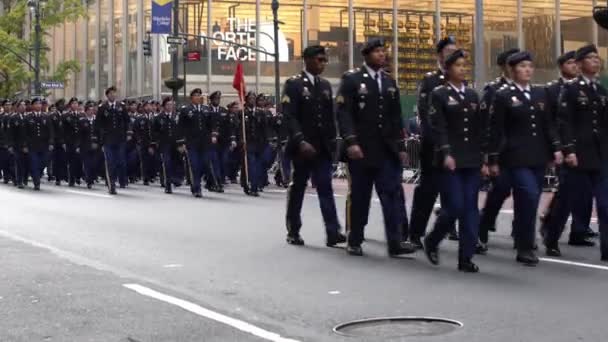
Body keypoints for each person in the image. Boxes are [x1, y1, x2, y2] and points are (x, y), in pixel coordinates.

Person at [336, 39, 417, 257]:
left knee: (391, 195)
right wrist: (351, 142)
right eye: (377, 51)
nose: (382, 55)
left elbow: (395, 117)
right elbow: (344, 113)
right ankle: (355, 239)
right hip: (361, 149)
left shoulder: (389, 81)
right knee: (361, 197)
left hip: (386, 150)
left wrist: (401, 148)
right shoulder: (352, 79)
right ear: (367, 55)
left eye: (383, 51)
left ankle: (395, 241)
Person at [487, 51, 563, 266]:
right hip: (514, 156)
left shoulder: (541, 93)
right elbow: (496, 129)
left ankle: (522, 242)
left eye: (530, 66)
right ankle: (526, 246)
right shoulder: (503, 95)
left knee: (528, 201)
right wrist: (492, 159)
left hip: (538, 155)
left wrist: (555, 148)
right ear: (512, 70)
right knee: (529, 196)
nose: (528, 70)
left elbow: (548, 124)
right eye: (522, 66)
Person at [423, 49, 486, 272]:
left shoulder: (471, 95)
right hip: (449, 159)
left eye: (464, 65)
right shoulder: (439, 94)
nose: (462, 69)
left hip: (471, 158)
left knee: (470, 209)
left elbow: (478, 129)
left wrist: (484, 158)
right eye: (457, 65)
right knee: (455, 207)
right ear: (448, 69)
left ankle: (466, 257)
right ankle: (433, 239)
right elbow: (437, 127)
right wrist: (446, 152)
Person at [281, 45, 346, 247]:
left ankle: (333, 231)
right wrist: (300, 140)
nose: (323, 63)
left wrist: (333, 142)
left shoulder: (325, 85)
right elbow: (289, 116)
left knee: (325, 187)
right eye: (319, 59)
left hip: (322, 147)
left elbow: (330, 117)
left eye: (325, 60)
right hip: (302, 147)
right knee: (298, 187)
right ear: (307, 60)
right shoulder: (293, 84)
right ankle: (293, 230)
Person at [549, 44, 608, 262]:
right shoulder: (571, 89)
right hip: (578, 155)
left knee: (605, 203)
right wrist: (569, 150)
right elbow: (564, 123)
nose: (596, 61)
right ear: (581, 63)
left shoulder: (601, 91)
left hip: (600, 155)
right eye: (591, 58)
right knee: (568, 200)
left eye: (597, 58)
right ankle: (551, 236)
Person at [540, 51, 596, 256]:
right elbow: (552, 122)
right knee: (568, 194)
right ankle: (552, 231)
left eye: (575, 63)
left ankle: (579, 231)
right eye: (570, 63)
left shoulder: (595, 88)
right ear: (562, 66)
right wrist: (558, 147)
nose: (573, 66)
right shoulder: (554, 90)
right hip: (567, 148)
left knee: (587, 193)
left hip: (592, 151)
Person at [409, 37, 459, 248]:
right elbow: (424, 114)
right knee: (428, 190)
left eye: (455, 51)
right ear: (439, 55)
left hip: (456, 146)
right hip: (433, 146)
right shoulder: (430, 80)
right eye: (448, 51)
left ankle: (450, 226)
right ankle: (415, 233)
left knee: (454, 189)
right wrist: (437, 143)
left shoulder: (460, 81)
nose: (452, 54)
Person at [477, 48, 520, 253]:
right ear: (505, 67)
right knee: (501, 190)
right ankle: (484, 223)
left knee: (526, 192)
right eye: (516, 64)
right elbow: (485, 124)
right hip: (500, 151)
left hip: (524, 151)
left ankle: (522, 233)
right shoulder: (493, 90)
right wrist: (486, 156)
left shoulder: (531, 90)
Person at [179, 89, 217, 197]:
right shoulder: (186, 110)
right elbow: (181, 127)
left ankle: (207, 182)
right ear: (191, 98)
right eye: (195, 95)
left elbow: (212, 124)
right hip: (192, 143)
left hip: (205, 143)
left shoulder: (207, 109)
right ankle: (196, 187)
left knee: (205, 163)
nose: (198, 97)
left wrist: (213, 135)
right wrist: (182, 142)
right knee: (194, 165)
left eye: (199, 95)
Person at [97, 86, 130, 194]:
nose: (113, 95)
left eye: (114, 93)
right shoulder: (102, 107)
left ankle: (116, 179)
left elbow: (127, 121)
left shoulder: (121, 106)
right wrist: (101, 138)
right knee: (110, 162)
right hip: (108, 140)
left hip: (120, 139)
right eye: (111, 93)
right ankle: (112, 185)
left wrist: (128, 133)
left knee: (120, 161)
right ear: (107, 95)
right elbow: (99, 124)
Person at [22, 97, 55, 191]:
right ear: (33, 106)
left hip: (44, 146)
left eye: (40, 104)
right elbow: (24, 133)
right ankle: (37, 182)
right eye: (36, 104)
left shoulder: (46, 117)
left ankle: (37, 175)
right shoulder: (28, 118)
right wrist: (24, 145)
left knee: (43, 162)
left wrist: (51, 142)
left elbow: (51, 131)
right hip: (32, 146)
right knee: (34, 163)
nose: (38, 105)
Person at [153, 97, 184, 194]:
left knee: (177, 163)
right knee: (166, 164)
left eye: (171, 105)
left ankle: (176, 179)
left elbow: (180, 131)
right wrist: (156, 143)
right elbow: (155, 132)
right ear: (164, 106)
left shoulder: (177, 116)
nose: (170, 107)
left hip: (176, 144)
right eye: (168, 105)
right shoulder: (158, 118)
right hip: (164, 145)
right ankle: (167, 185)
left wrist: (182, 144)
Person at [240, 91, 267, 196]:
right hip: (248, 143)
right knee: (251, 165)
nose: (252, 100)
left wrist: (265, 143)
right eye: (250, 98)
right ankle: (252, 187)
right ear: (246, 100)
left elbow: (264, 129)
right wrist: (242, 140)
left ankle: (254, 185)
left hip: (259, 143)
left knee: (258, 166)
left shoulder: (260, 113)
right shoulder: (242, 113)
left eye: (253, 98)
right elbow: (239, 129)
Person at [207, 91, 228, 192]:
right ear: (211, 100)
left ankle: (212, 181)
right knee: (214, 162)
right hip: (211, 142)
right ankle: (217, 183)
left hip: (223, 142)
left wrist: (231, 139)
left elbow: (229, 126)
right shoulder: (207, 110)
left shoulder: (224, 110)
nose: (217, 100)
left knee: (222, 162)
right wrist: (211, 135)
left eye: (218, 99)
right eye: (215, 99)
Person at [79, 101, 102, 189]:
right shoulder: (82, 121)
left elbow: (100, 134)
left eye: (93, 110)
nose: (91, 111)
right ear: (86, 111)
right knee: (87, 164)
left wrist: (99, 144)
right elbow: (80, 135)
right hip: (85, 146)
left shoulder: (97, 121)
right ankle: (89, 181)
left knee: (95, 163)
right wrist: (79, 146)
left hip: (96, 146)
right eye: (89, 110)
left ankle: (92, 177)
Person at [133, 100, 157, 185]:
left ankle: (152, 176)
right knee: (144, 160)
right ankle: (146, 178)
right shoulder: (139, 118)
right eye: (146, 106)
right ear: (143, 108)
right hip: (143, 142)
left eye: (150, 106)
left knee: (153, 160)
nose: (148, 107)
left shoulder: (155, 117)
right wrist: (138, 139)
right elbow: (135, 130)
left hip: (153, 142)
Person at [62, 97, 83, 187]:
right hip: (70, 141)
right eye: (73, 104)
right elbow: (62, 130)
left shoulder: (81, 115)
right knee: (71, 161)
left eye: (76, 104)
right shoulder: (66, 116)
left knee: (79, 161)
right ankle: (71, 179)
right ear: (70, 105)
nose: (75, 105)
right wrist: (63, 142)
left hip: (79, 141)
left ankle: (78, 176)